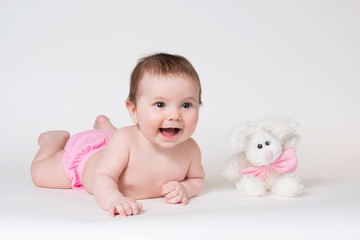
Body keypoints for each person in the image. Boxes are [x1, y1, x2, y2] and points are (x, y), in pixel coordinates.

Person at [30, 53, 205, 218]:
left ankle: (104, 128)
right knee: (39, 174)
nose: (174, 115)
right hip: (85, 161)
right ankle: (55, 139)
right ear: (134, 110)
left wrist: (185, 188)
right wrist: (113, 199)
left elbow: (197, 179)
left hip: (112, 144)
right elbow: (102, 176)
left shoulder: (190, 149)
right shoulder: (125, 140)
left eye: (186, 105)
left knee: (115, 142)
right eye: (160, 104)